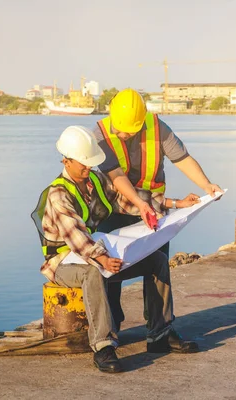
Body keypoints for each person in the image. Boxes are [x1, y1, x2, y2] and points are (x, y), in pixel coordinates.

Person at [31, 126, 198, 374]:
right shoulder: (58, 194)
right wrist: (102, 258)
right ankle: (103, 346)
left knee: (157, 261)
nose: (88, 168)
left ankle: (159, 334)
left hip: (96, 250)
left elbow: (127, 200)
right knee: (93, 273)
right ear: (66, 160)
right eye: (82, 164)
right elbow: (76, 237)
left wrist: (174, 204)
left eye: (90, 163)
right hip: (63, 263)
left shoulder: (95, 181)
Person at [92, 88, 223, 328]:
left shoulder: (157, 127)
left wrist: (207, 185)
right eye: (119, 128)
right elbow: (116, 175)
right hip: (114, 212)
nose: (121, 134)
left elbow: (182, 158)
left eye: (127, 130)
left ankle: (160, 329)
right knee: (110, 270)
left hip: (153, 212)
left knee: (158, 266)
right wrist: (140, 202)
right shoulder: (99, 134)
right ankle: (111, 329)